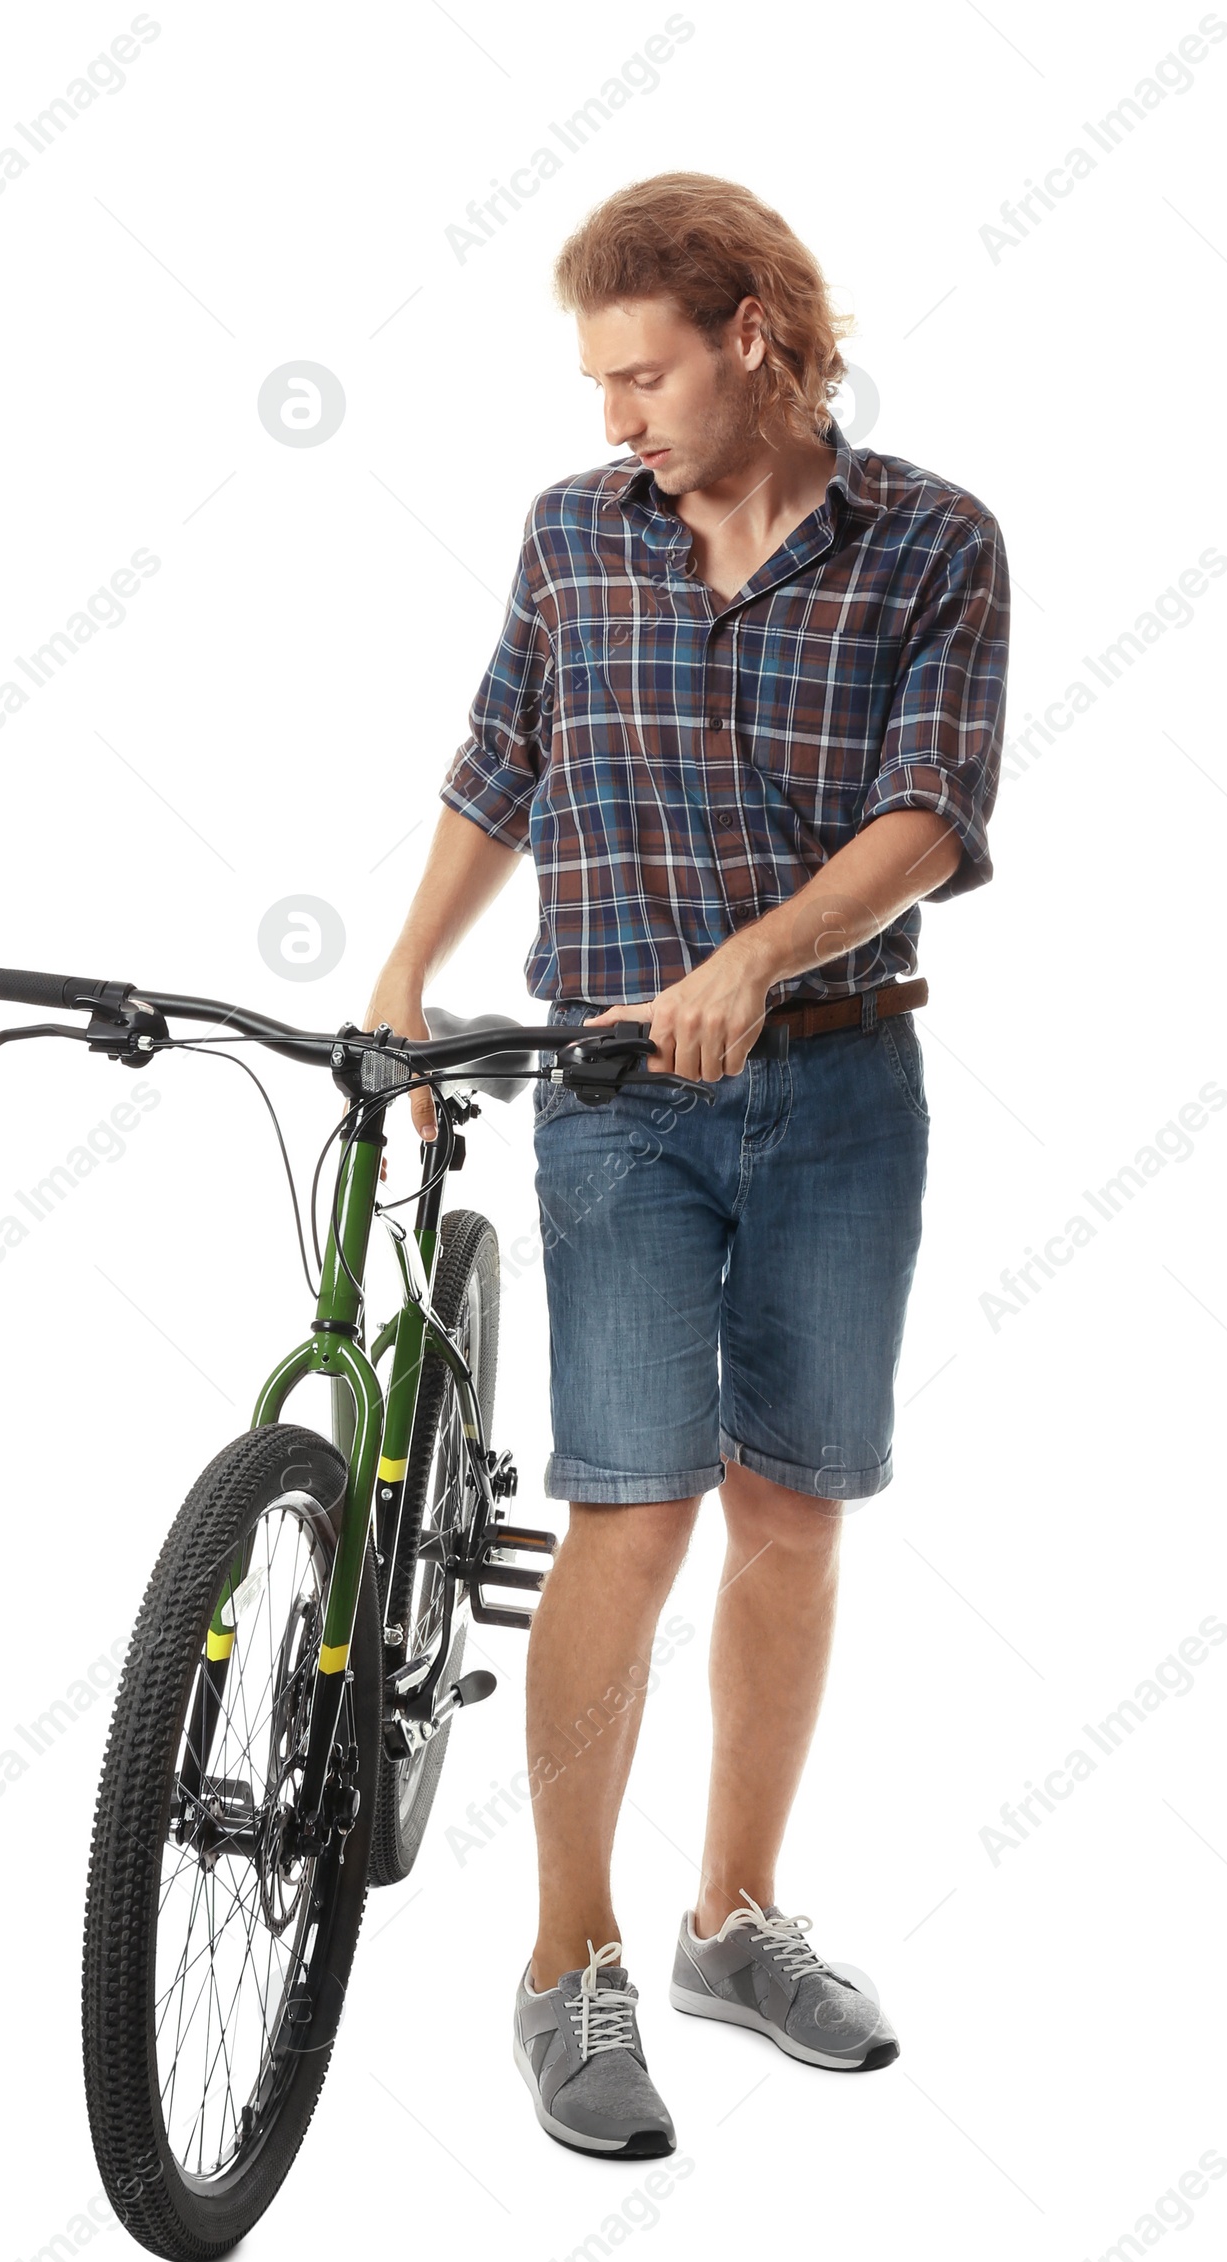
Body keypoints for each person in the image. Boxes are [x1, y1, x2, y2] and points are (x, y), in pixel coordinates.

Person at [365, 171, 1008, 2158]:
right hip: (615, 1098)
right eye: (592, 379)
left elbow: (929, 814)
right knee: (630, 1511)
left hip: (838, 1089)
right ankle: (572, 1963)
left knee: (790, 1509)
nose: (610, 415)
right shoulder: (575, 537)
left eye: (638, 371)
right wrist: (402, 969)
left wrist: (752, 956)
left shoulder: (930, 542)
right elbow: (502, 760)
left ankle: (733, 1919)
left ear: (746, 330)